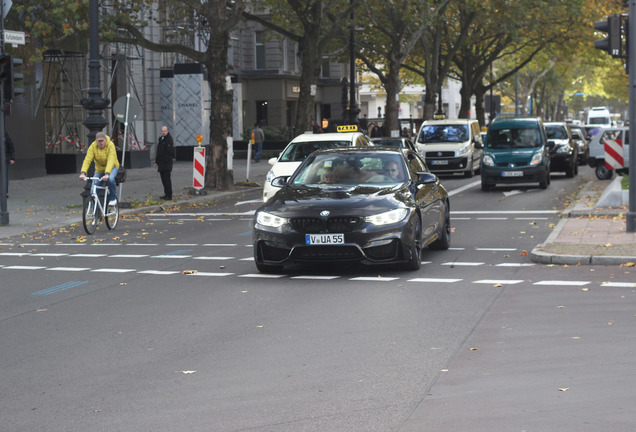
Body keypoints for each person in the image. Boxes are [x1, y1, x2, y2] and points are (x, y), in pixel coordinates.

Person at [79, 131, 120, 206]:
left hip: (112, 168)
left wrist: (107, 173)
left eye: (102, 141)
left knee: (110, 179)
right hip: (99, 170)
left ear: (105, 140)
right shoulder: (93, 146)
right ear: (96, 141)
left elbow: (111, 160)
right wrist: (83, 173)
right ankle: (97, 214)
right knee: (93, 192)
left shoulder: (110, 145)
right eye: (99, 141)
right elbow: (87, 159)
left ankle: (112, 198)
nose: (101, 143)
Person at [154, 125, 176, 200]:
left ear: (167, 131)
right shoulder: (161, 139)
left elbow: (169, 152)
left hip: (166, 163)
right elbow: (159, 151)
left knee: (167, 179)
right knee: (163, 180)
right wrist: (156, 161)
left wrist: (165, 160)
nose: (163, 132)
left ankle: (169, 195)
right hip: (161, 163)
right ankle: (166, 193)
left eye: (164, 131)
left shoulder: (169, 139)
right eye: (162, 131)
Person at [4, 132, 15, 198]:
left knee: (5, 176)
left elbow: (11, 147)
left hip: (5, 159)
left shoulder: (6, 135)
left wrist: (12, 158)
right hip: (5, 158)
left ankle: (5, 192)